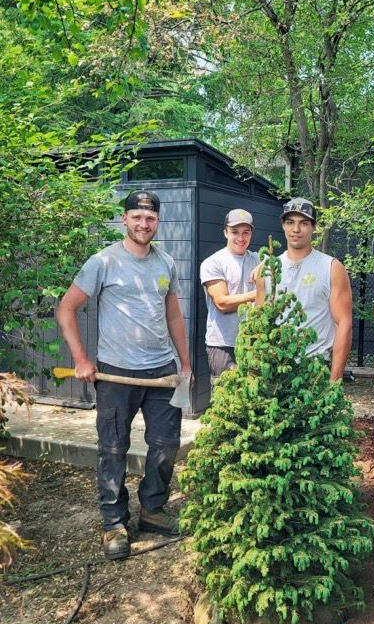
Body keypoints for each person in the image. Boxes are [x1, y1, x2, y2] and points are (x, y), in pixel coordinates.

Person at [56, 190, 191, 560]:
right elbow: (66, 309)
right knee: (113, 449)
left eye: (150, 219)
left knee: (165, 446)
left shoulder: (165, 263)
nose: (143, 224)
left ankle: (152, 510)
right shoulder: (104, 261)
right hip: (116, 374)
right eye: (137, 217)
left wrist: (185, 364)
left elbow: (174, 315)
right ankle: (114, 523)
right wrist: (82, 359)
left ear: (157, 222)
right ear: (125, 219)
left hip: (162, 372)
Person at [257, 197, 352, 381]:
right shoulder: (267, 269)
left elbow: (344, 324)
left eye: (303, 223)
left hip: (316, 369)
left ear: (313, 227)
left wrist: (335, 378)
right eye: (290, 222)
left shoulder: (331, 267)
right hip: (277, 370)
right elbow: (261, 325)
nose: (296, 229)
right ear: (283, 225)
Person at [199, 208, 260, 385]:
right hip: (223, 344)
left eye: (245, 232)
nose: (240, 238)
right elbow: (222, 303)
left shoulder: (257, 260)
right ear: (226, 232)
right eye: (235, 232)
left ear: (251, 234)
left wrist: (264, 267)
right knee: (225, 400)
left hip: (253, 342)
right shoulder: (214, 262)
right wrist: (256, 294)